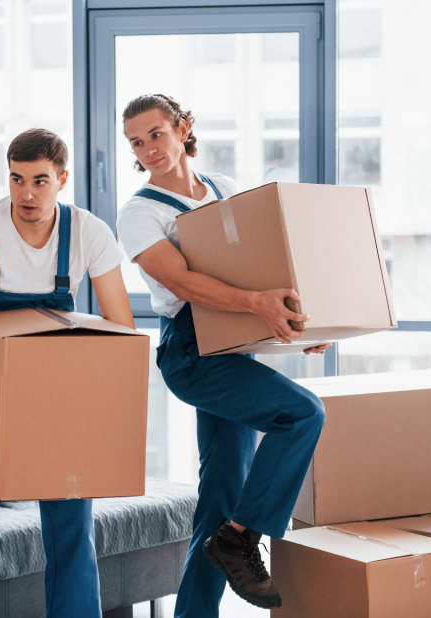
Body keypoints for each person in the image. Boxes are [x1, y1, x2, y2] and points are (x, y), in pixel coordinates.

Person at [116, 94, 329, 616]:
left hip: (232, 346)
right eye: (136, 143)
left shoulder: (225, 190)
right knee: (302, 414)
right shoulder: (139, 212)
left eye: (156, 134)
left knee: (216, 503)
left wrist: (302, 328)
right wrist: (257, 303)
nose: (148, 149)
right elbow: (182, 281)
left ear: (182, 127)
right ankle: (240, 539)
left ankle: (207, 583)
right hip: (190, 355)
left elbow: (257, 271)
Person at [0, 128, 134, 618]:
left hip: (57, 401)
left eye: (40, 181)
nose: (26, 194)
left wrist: (98, 426)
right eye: (17, 179)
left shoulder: (89, 233)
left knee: (72, 528)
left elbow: (121, 336)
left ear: (62, 179)